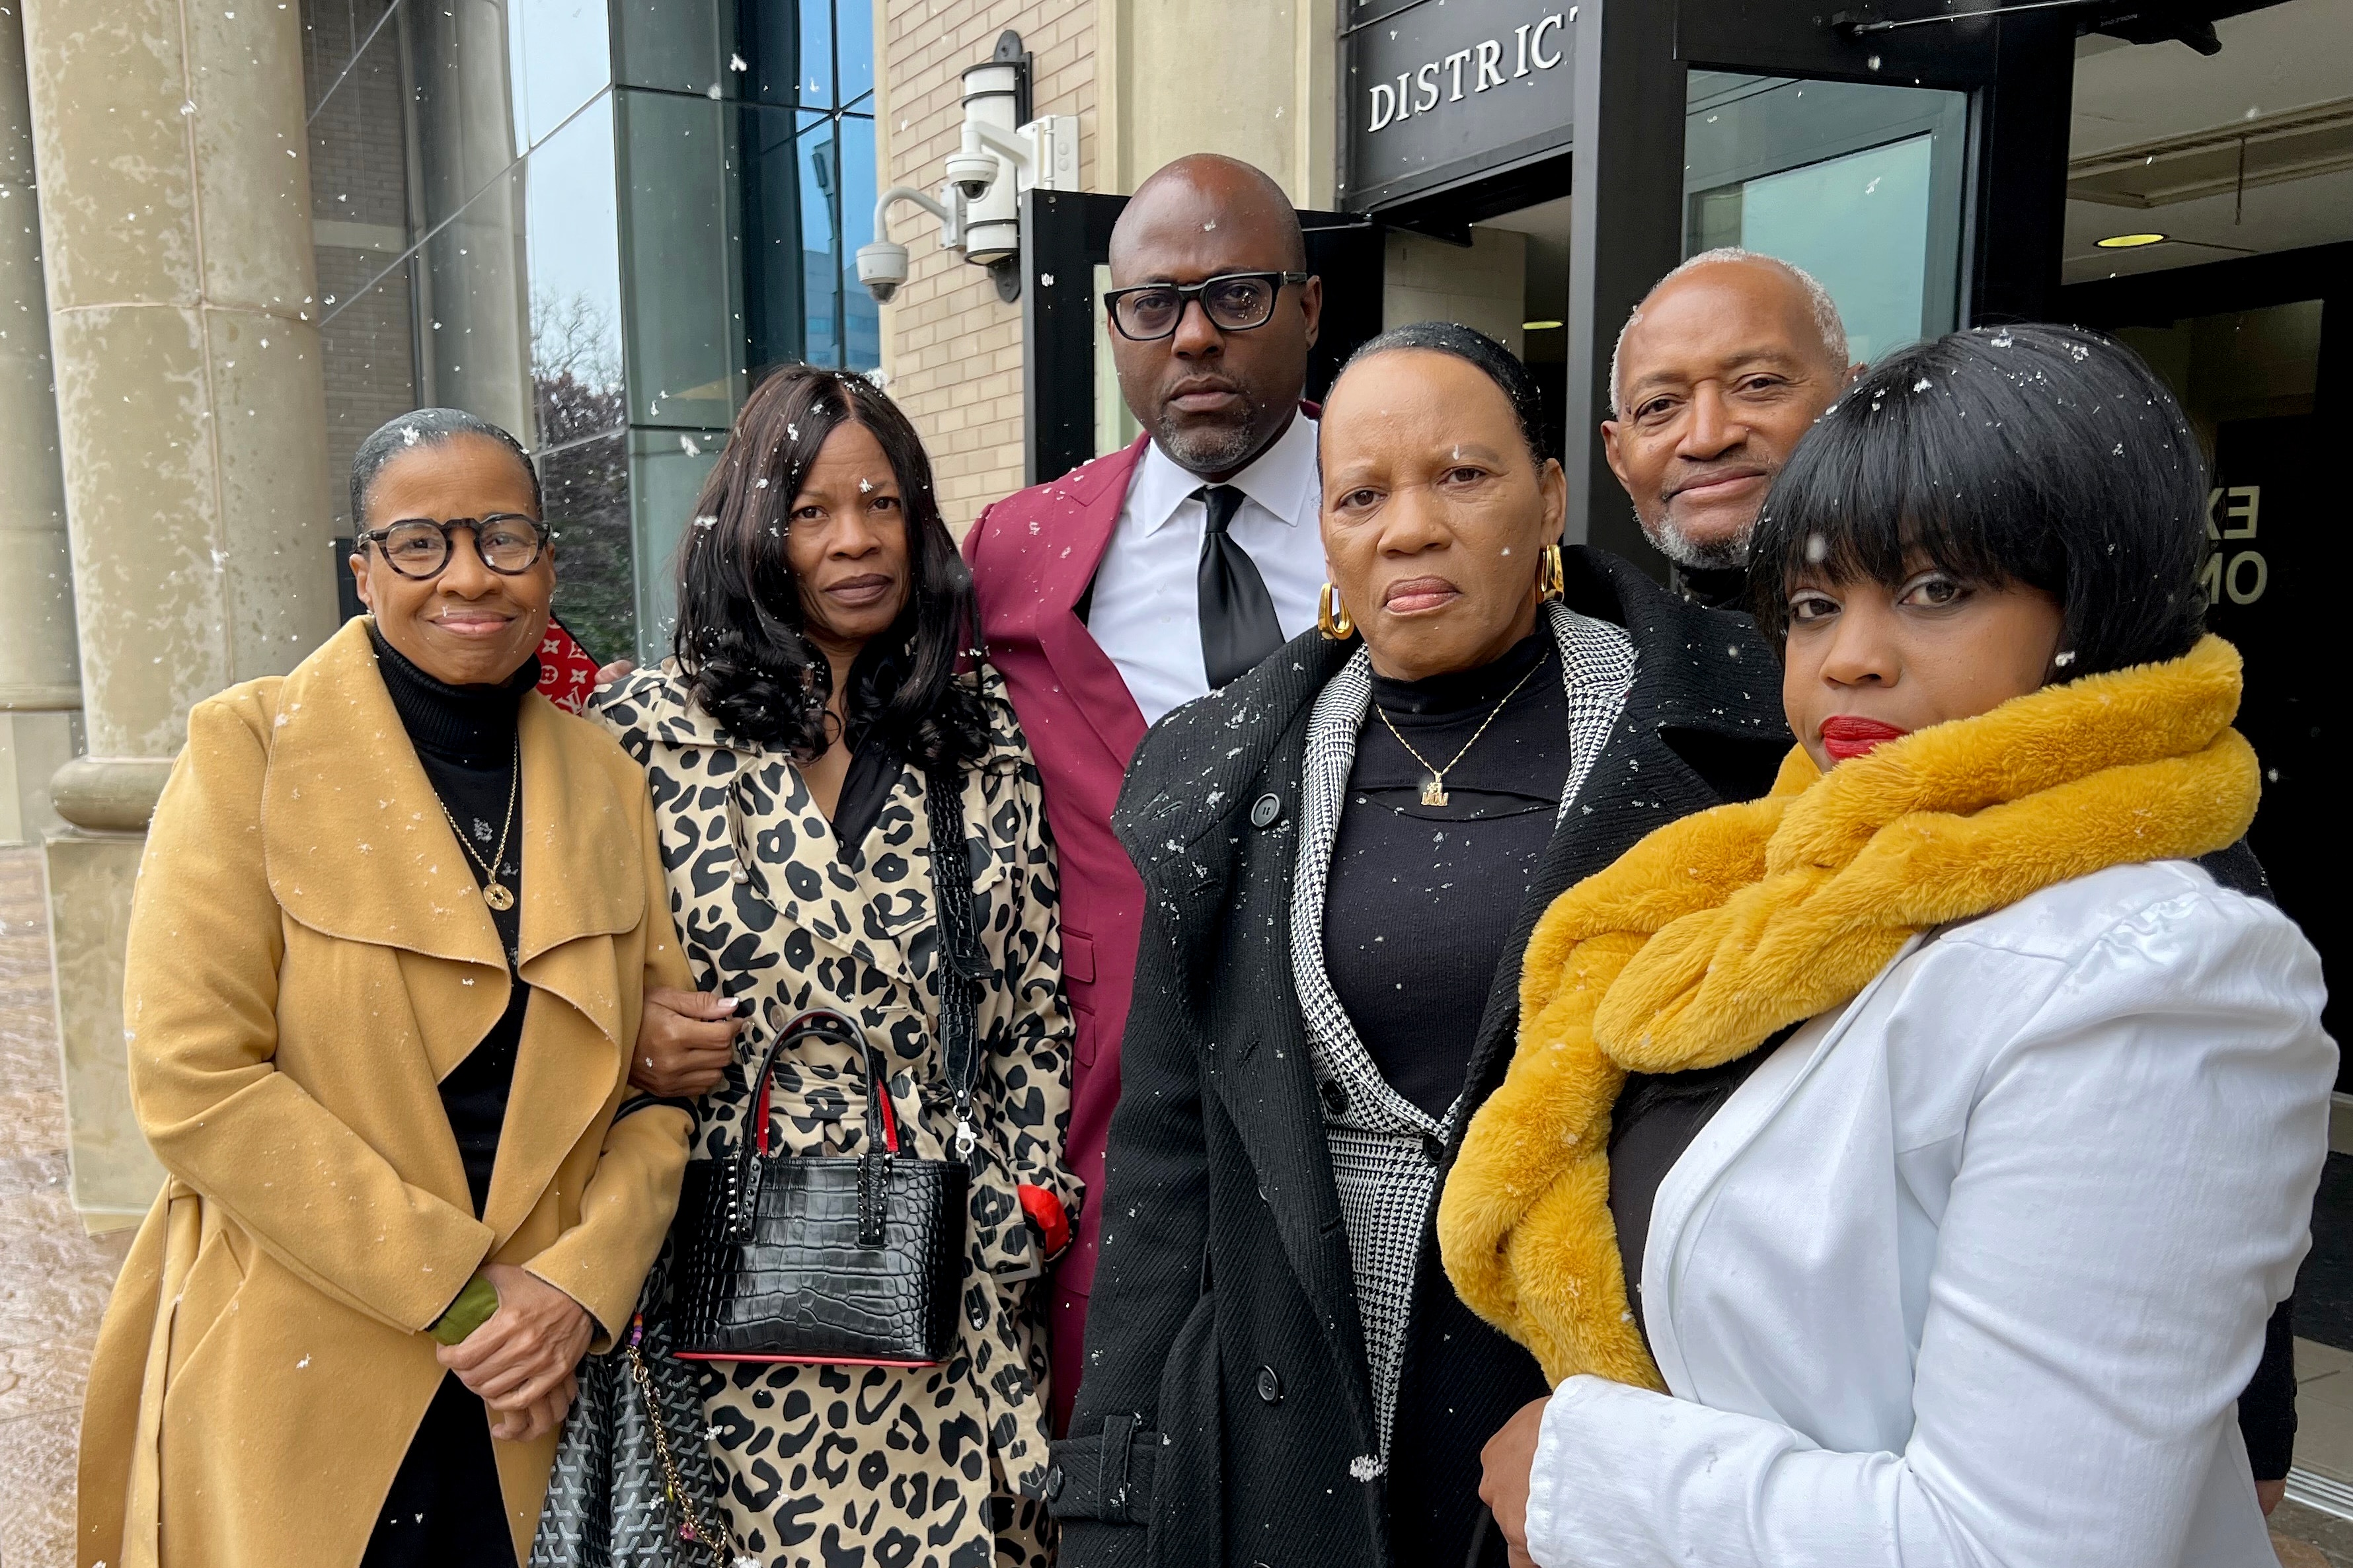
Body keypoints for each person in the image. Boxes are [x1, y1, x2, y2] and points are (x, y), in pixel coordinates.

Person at [1446, 324, 2333, 1568]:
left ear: (2097, 600)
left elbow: (2021, 1545)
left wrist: (1595, 1477)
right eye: (1814, 604)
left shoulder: (2158, 974)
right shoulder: (1790, 889)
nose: (1850, 654)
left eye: (1936, 590)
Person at [1045, 324, 1798, 1568]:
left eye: (1463, 476)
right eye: (1361, 494)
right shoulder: (1228, 779)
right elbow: (1171, 1151)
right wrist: (1113, 1487)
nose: (1409, 527)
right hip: (1289, 1424)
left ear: (1551, 495)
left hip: (1602, 1413)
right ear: (1326, 533)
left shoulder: (1733, 747)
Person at [75, 409, 695, 1568]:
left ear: (547, 562)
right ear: (363, 572)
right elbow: (195, 1080)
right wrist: (464, 1299)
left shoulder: (605, 779)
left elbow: (663, 1097)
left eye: (504, 537)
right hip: (309, 1360)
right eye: (419, 542)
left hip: (534, 1387)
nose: (468, 574)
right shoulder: (247, 749)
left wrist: (575, 1287)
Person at [593, 365, 1081, 1567]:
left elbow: (1030, 1011)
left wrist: (1028, 1200)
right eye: (811, 510)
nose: (856, 540)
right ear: (754, 530)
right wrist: (626, 1043)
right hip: (711, 1267)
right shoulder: (646, 737)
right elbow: (549, 978)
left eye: (883, 504)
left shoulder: (977, 736)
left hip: (941, 1282)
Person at [962, 152, 1335, 1424]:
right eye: (1151, 304)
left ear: (1310, 308)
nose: (1192, 339)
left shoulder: (1401, 517)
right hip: (1110, 1112)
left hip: (1358, 1087)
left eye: (1236, 296)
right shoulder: (1018, 550)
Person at [1601, 246, 1860, 606]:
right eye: (1659, 405)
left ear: (1852, 401)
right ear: (1618, 458)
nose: (1707, 439)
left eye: (1758, 384)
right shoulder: (1596, 652)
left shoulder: (1947, 629)